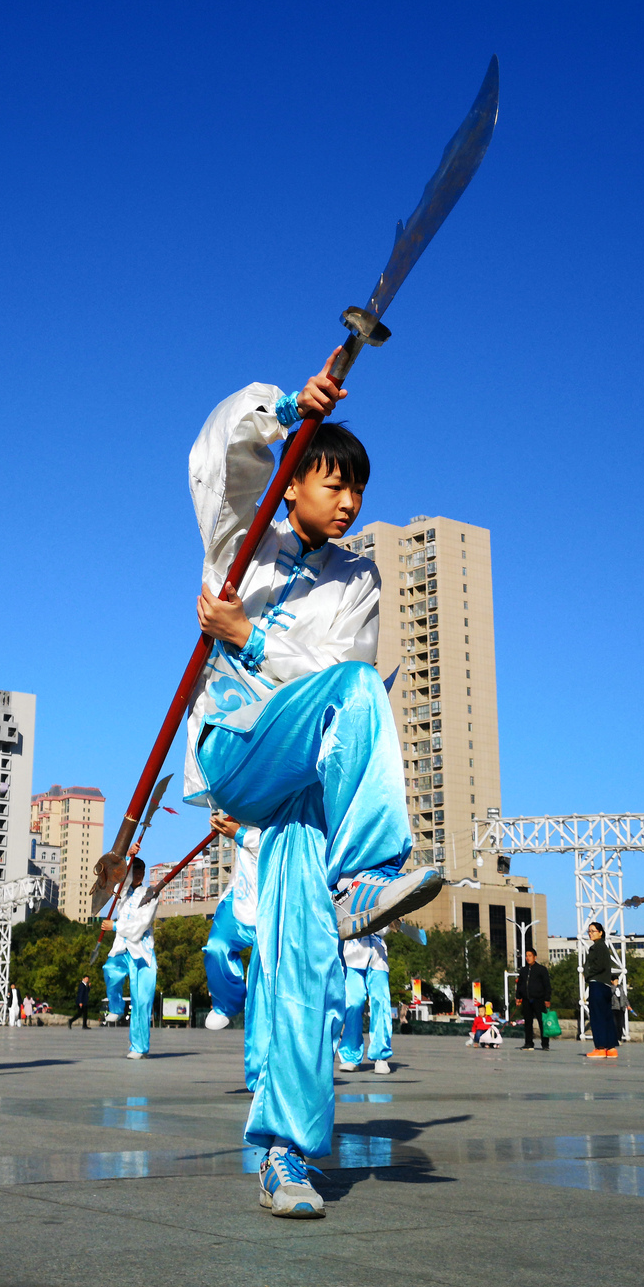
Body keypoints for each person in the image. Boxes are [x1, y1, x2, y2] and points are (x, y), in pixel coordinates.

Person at [165, 359, 441, 1221]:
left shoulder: (360, 579)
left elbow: (333, 672)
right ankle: (366, 875)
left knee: (307, 975)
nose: (350, 503)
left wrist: (249, 638)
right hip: (240, 751)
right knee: (358, 695)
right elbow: (217, 456)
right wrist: (285, 409)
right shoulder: (241, 539)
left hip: (306, 791)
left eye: (358, 489)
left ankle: (285, 1155)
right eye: (333, 484)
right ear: (293, 489)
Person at [201, 814, 259, 1030]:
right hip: (238, 896)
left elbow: (279, 846)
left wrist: (240, 834)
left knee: (264, 974)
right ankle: (227, 1003)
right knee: (216, 948)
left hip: (273, 904)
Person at [102, 856, 162, 1060]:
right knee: (110, 970)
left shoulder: (150, 894)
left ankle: (139, 1047)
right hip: (121, 948)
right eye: (134, 871)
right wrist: (129, 855)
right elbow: (117, 875)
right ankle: (116, 1007)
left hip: (142, 952)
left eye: (140, 872)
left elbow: (142, 924)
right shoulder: (120, 893)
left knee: (141, 1001)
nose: (138, 875)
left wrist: (116, 926)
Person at [335, 925, 393, 1074]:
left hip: (378, 957)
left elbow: (384, 928)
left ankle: (381, 1056)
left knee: (381, 1002)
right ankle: (350, 1055)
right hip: (351, 956)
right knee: (353, 1003)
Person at [582, 923, 619, 1059]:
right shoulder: (603, 947)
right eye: (589, 931)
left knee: (597, 1017)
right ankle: (611, 1048)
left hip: (597, 984)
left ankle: (601, 1047)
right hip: (605, 986)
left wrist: (588, 973)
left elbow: (599, 966)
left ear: (601, 932)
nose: (590, 933)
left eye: (593, 931)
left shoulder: (597, 947)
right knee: (606, 1016)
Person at [517, 947, 551, 1053]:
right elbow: (520, 985)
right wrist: (518, 997)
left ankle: (545, 1044)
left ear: (535, 957)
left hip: (539, 999)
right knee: (528, 1022)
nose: (528, 958)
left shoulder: (541, 970)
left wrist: (547, 998)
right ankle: (528, 1043)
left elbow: (547, 985)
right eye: (526, 956)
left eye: (530, 956)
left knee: (542, 1022)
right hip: (527, 999)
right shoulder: (523, 970)